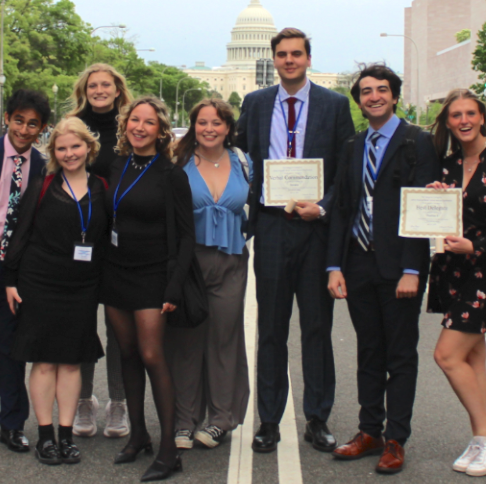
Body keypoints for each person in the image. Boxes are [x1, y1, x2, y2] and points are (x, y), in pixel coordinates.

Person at [236, 27, 354, 453]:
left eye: (296, 54)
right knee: (270, 328)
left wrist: (322, 206)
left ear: (307, 58)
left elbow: (345, 169)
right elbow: (238, 153)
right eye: (282, 54)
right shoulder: (255, 103)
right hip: (270, 225)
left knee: (317, 327)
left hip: (315, 228)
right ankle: (269, 420)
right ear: (274, 59)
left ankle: (317, 418)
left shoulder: (335, 105)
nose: (289, 60)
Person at [327, 63, 439, 474]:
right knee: (369, 350)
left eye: (382, 89)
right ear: (358, 100)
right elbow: (342, 206)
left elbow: (421, 208)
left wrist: (413, 269)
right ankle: (369, 429)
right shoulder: (354, 145)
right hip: (357, 263)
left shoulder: (417, 142)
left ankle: (396, 438)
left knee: (400, 353)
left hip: (399, 268)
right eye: (366, 91)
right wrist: (334, 266)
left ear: (394, 96)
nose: (373, 96)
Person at [100, 96, 194, 481]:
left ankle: (169, 449)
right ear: (125, 125)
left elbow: (187, 238)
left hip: (154, 275)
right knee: (126, 353)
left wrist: (173, 287)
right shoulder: (116, 164)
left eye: (148, 122)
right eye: (133, 120)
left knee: (153, 355)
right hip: (116, 272)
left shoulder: (172, 174)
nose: (139, 127)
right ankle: (138, 435)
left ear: (161, 130)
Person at [4, 117, 107, 465]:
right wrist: (10, 279)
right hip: (40, 282)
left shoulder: (102, 187)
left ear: (88, 147)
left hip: (82, 287)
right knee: (45, 361)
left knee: (71, 361)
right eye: (61, 148)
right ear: (54, 152)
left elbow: (107, 241)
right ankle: (45, 437)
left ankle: (66, 436)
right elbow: (20, 232)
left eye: (75, 146)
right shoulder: (43, 183)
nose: (69, 153)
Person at [168, 99, 251, 450]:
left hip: (231, 261)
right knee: (186, 342)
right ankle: (184, 421)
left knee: (223, 340)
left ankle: (220, 419)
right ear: (193, 126)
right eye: (202, 123)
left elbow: (259, 206)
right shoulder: (178, 162)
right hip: (190, 265)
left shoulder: (243, 162)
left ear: (228, 128)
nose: (209, 129)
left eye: (216, 123)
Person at [67, 63, 133, 439]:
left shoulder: (129, 127)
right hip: (79, 236)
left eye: (106, 84)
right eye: (93, 85)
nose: (100, 89)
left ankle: (119, 402)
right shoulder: (74, 124)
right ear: (85, 89)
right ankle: (83, 400)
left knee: (118, 326)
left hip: (121, 239)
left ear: (117, 88)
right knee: (80, 322)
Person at [427, 89, 486, 477]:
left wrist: (474, 246)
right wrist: (434, 200)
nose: (463, 120)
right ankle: (480, 439)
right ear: (447, 122)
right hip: (456, 274)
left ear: (482, 117)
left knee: (447, 355)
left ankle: (483, 438)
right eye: (455, 115)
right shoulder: (448, 166)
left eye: (469, 113)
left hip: (482, 270)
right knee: (474, 358)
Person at [0, 89, 49, 454]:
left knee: (9, 347)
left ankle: (12, 422)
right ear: (7, 119)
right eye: (19, 120)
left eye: (33, 124)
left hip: (13, 269)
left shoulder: (44, 167)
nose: (24, 129)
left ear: (42, 128)